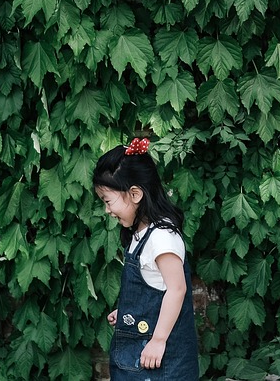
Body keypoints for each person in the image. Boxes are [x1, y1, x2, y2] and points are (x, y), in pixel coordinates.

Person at [94, 137, 200, 380]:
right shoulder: (139, 234)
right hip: (138, 358)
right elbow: (154, 288)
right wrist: (130, 312)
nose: (107, 210)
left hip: (162, 364)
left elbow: (176, 289)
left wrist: (159, 339)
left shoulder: (162, 237)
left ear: (135, 194)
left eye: (108, 201)